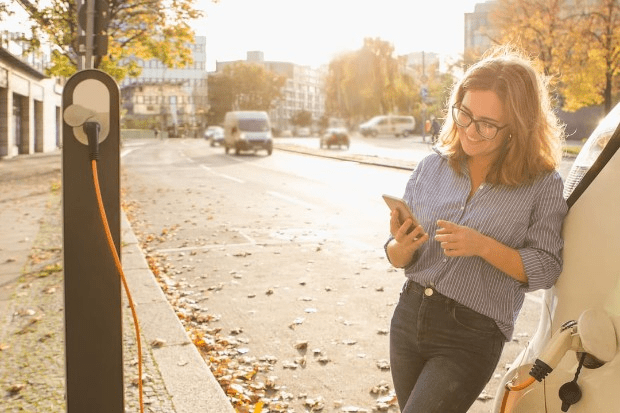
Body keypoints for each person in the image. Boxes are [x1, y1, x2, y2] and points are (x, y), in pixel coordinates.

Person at [385, 46, 568, 413]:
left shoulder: (541, 184)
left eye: (486, 124)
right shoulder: (431, 167)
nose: (469, 130)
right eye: (464, 114)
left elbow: (547, 267)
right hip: (408, 318)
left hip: (470, 335)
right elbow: (394, 254)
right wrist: (402, 245)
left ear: (517, 127)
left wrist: (483, 246)